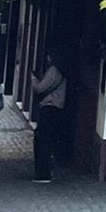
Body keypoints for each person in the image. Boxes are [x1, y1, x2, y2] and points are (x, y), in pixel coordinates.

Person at [30, 49, 66, 183]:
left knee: (42, 141)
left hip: (49, 107)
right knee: (47, 140)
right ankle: (46, 171)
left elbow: (39, 88)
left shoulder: (53, 71)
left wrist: (33, 79)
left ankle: (43, 173)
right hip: (56, 108)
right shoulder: (61, 71)